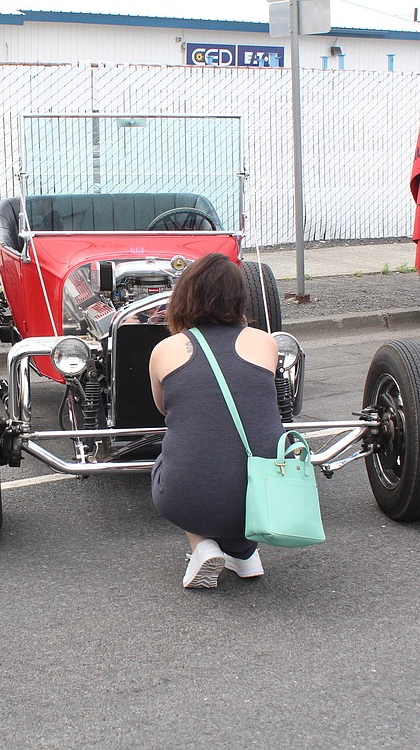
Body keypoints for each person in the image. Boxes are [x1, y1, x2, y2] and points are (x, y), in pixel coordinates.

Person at [148, 252, 284, 589]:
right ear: (239, 298)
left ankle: (202, 545)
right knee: (237, 464)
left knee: (170, 460)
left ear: (184, 295)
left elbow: (164, 410)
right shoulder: (266, 344)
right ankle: (243, 552)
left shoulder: (165, 350)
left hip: (189, 497)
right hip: (267, 496)